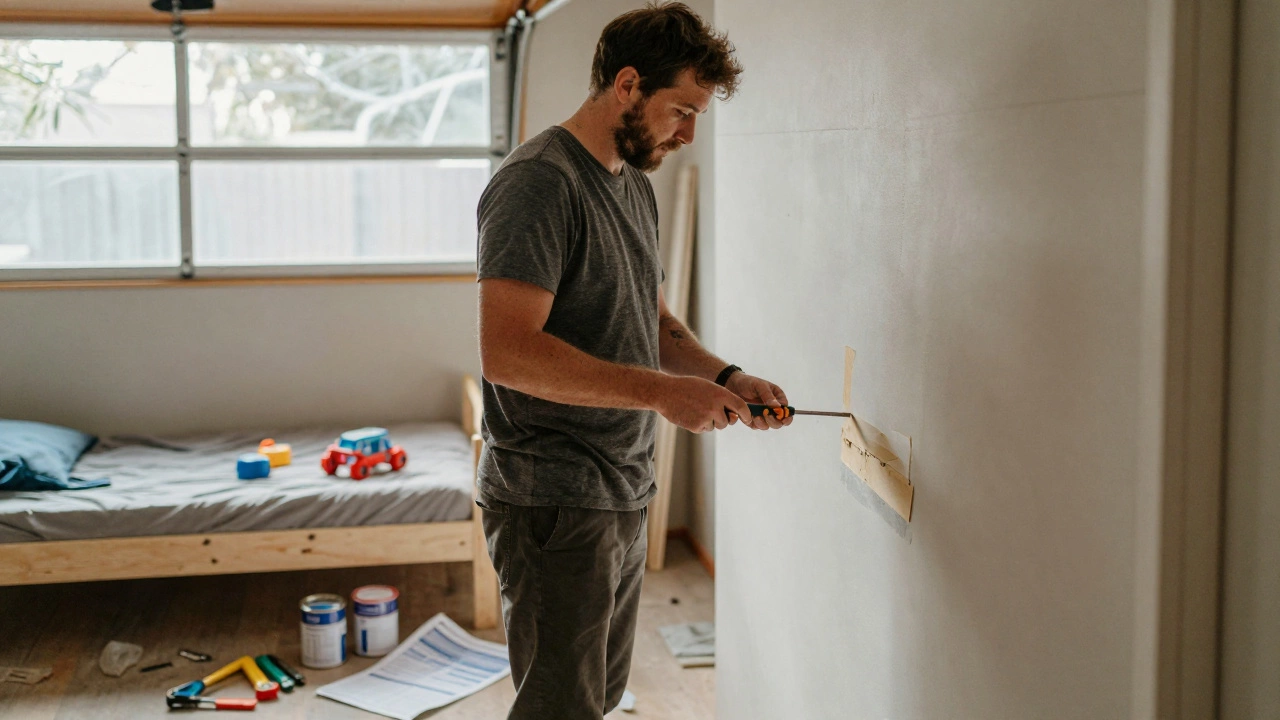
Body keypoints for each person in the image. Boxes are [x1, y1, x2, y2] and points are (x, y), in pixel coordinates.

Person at [475, 3, 791, 718]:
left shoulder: (633, 188)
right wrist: (658, 395)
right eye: (680, 110)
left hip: (620, 485)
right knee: (562, 706)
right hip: (554, 493)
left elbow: (651, 324)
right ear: (626, 85)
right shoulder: (540, 184)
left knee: (600, 696)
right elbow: (509, 353)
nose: (687, 133)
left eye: (697, 115)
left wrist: (723, 377)